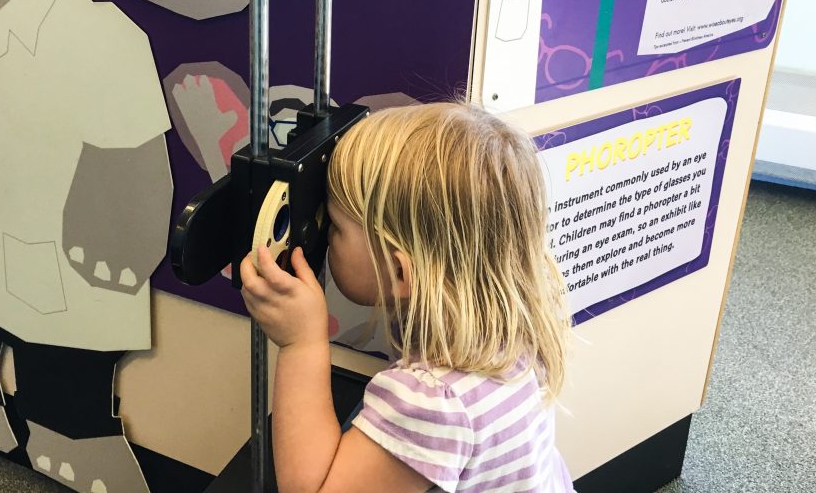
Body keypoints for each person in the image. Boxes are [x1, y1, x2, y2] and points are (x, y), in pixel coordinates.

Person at [240, 103, 574, 493]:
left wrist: (302, 343)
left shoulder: (434, 401)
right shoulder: (514, 322)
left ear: (401, 272)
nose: (326, 232)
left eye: (337, 226)